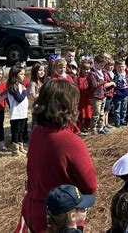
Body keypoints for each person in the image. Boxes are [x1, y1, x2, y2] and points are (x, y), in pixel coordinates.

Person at [21, 80, 97, 232]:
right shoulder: (70, 141)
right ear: (67, 107)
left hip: (33, 210)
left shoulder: (36, 132)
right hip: (60, 217)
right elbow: (90, 184)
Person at [88, 54, 115, 135]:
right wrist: (103, 82)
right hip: (95, 96)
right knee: (96, 114)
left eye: (103, 65)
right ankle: (93, 129)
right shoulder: (92, 73)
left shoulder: (102, 71)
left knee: (102, 113)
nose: (102, 67)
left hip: (103, 95)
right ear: (95, 62)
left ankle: (100, 127)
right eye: (101, 65)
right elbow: (94, 85)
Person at [7, 63, 29, 156]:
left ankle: (21, 147)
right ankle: (15, 149)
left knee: (21, 131)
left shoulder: (20, 85)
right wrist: (25, 92)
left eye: (24, 74)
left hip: (23, 112)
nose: (23, 76)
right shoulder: (12, 86)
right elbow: (19, 98)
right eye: (21, 74)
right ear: (15, 75)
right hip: (16, 113)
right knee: (16, 131)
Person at [112, 59, 128, 127]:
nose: (121, 68)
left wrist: (125, 80)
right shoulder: (115, 75)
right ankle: (117, 122)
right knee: (117, 109)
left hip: (125, 93)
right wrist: (122, 81)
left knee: (124, 108)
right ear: (115, 67)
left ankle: (122, 120)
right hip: (118, 94)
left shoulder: (125, 73)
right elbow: (117, 84)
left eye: (122, 66)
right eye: (119, 67)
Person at [77, 61, 92, 132]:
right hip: (82, 98)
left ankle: (87, 126)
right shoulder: (80, 78)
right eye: (84, 69)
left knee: (88, 113)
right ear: (81, 70)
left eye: (88, 69)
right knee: (82, 113)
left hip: (89, 98)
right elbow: (81, 88)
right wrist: (89, 86)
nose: (86, 71)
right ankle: (80, 127)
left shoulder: (91, 77)